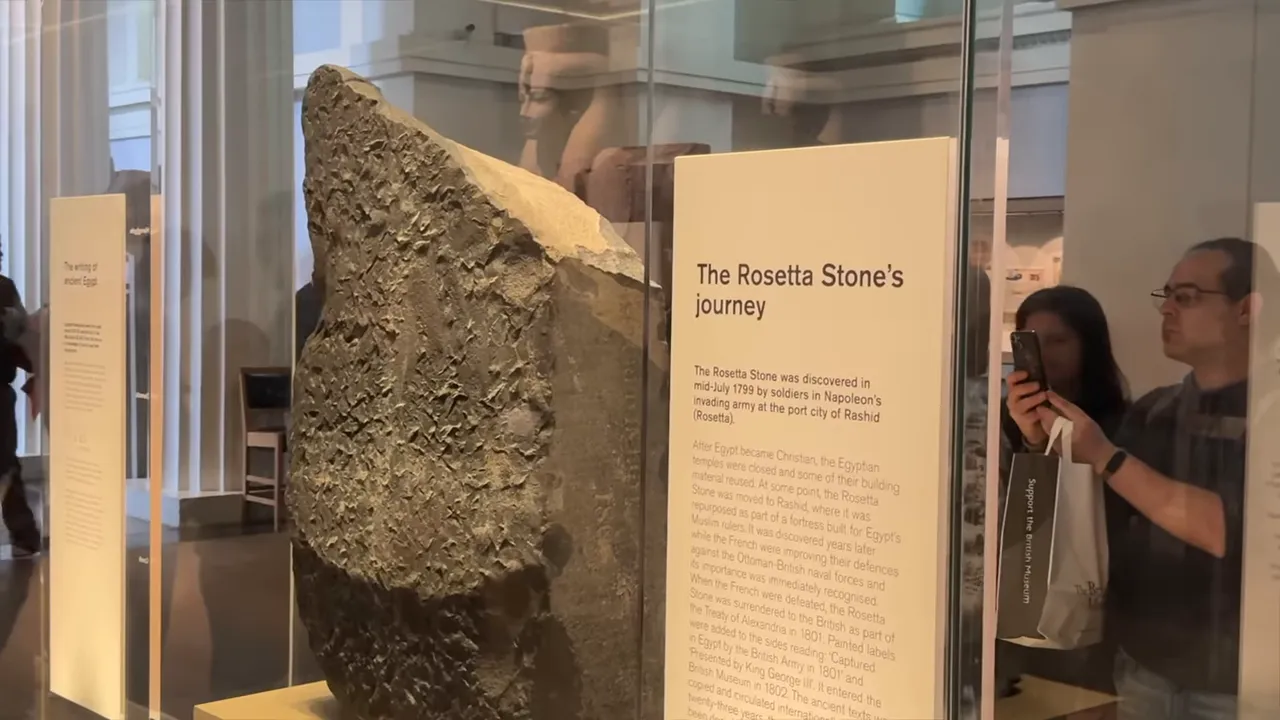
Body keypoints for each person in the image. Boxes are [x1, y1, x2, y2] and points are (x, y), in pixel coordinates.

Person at [1007, 237, 1270, 719]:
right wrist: (1037, 440)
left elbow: (1231, 530)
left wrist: (1106, 456)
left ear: (1247, 309)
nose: (1166, 309)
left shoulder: (1269, 414)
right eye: (1166, 295)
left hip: (1239, 685)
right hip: (1142, 667)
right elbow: (1092, 522)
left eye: (1187, 297)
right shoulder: (1156, 410)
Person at [1000, 285, 1129, 692]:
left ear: (1088, 345)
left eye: (1059, 340)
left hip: (1093, 600)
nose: (1045, 354)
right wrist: (1033, 439)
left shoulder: (1121, 424)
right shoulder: (1009, 419)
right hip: (1022, 594)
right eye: (1032, 342)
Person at [0, 249, 39, 559]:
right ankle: (24, 535)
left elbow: (20, 335)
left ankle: (24, 535)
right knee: (6, 464)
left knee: (6, 463)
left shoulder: (3, 287)